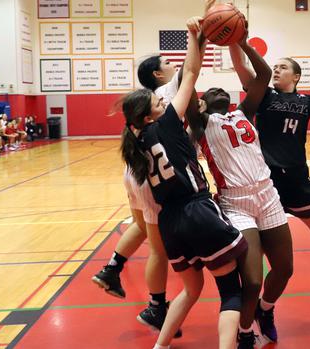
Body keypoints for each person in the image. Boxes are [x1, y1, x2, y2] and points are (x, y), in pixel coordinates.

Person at [120, 21, 246, 349]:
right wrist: (194, 36)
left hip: (169, 223)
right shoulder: (168, 123)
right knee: (232, 291)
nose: (165, 103)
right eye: (159, 104)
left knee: (191, 289)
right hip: (197, 211)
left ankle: (160, 346)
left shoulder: (134, 145)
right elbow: (190, 73)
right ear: (150, 116)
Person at [187, 32, 293, 349]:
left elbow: (261, 74)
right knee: (253, 280)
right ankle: (245, 331)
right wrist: (200, 41)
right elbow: (187, 79)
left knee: (285, 269)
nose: (218, 90)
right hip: (236, 203)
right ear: (202, 104)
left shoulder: (244, 112)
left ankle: (265, 310)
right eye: (209, 91)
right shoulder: (201, 123)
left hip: (269, 196)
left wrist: (242, 41)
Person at [230, 51, 310, 307]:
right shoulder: (264, 94)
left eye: (282, 67)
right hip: (267, 183)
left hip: (299, 180)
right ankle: (260, 303)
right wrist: (237, 41)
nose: (276, 70)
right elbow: (241, 66)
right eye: (275, 67)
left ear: (296, 76)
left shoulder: (307, 101)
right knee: (270, 252)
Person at [92, 166, 182, 336]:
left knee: (140, 226)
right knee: (158, 250)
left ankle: (111, 269)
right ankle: (156, 308)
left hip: (132, 170)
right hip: (151, 174)